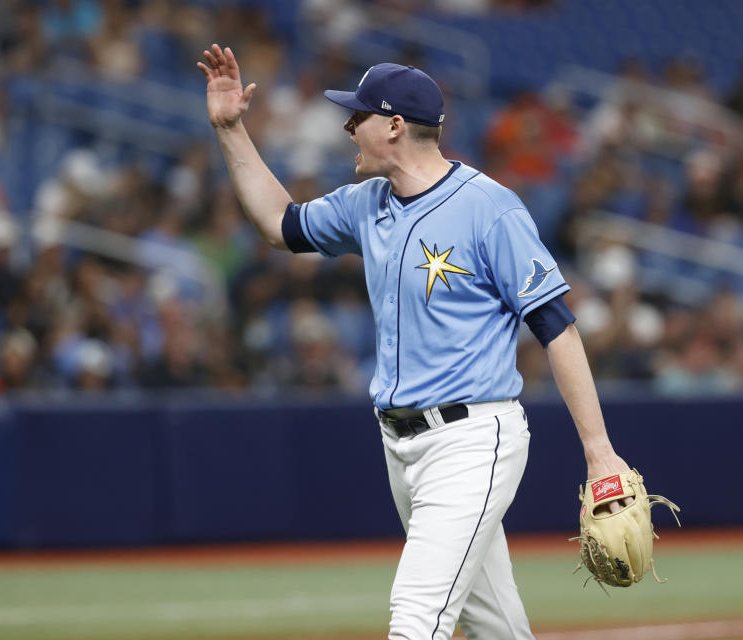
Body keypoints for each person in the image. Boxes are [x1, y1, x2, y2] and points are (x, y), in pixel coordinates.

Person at [198, 43, 631, 640]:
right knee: (497, 629)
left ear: (395, 125)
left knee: (417, 616)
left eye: (359, 116)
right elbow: (279, 224)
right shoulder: (364, 203)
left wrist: (600, 451)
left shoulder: (489, 209)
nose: (348, 127)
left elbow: (557, 327)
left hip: (473, 440)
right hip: (401, 446)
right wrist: (231, 129)